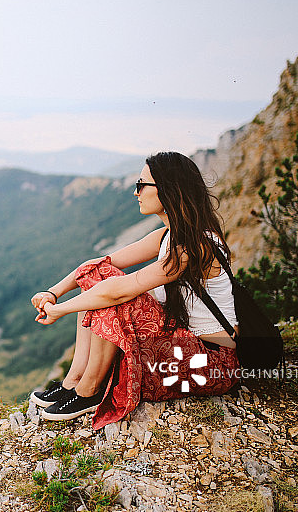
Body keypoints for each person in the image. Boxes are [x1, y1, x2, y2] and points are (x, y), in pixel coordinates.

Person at [29, 152, 240, 427]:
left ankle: (89, 389)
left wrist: (59, 310)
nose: (135, 192)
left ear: (167, 190)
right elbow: (99, 265)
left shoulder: (195, 246)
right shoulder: (166, 236)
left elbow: (118, 291)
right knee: (102, 275)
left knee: (116, 295)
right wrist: (53, 292)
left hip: (212, 363)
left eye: (141, 185)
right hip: (184, 347)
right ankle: (74, 380)